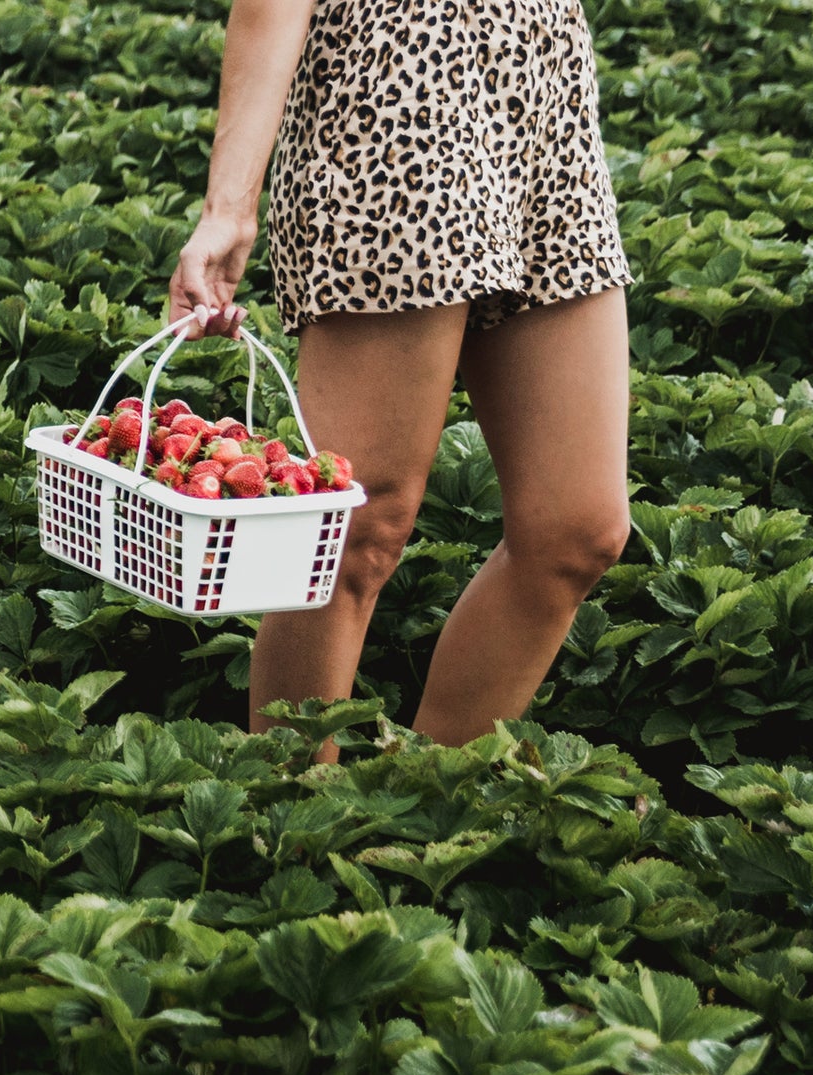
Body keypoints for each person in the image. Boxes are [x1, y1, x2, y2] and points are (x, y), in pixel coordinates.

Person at [164, 0, 637, 742]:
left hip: (546, 100)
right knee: (355, 530)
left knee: (577, 531)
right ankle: (290, 806)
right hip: (396, 101)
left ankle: (425, 800)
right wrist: (230, 206)